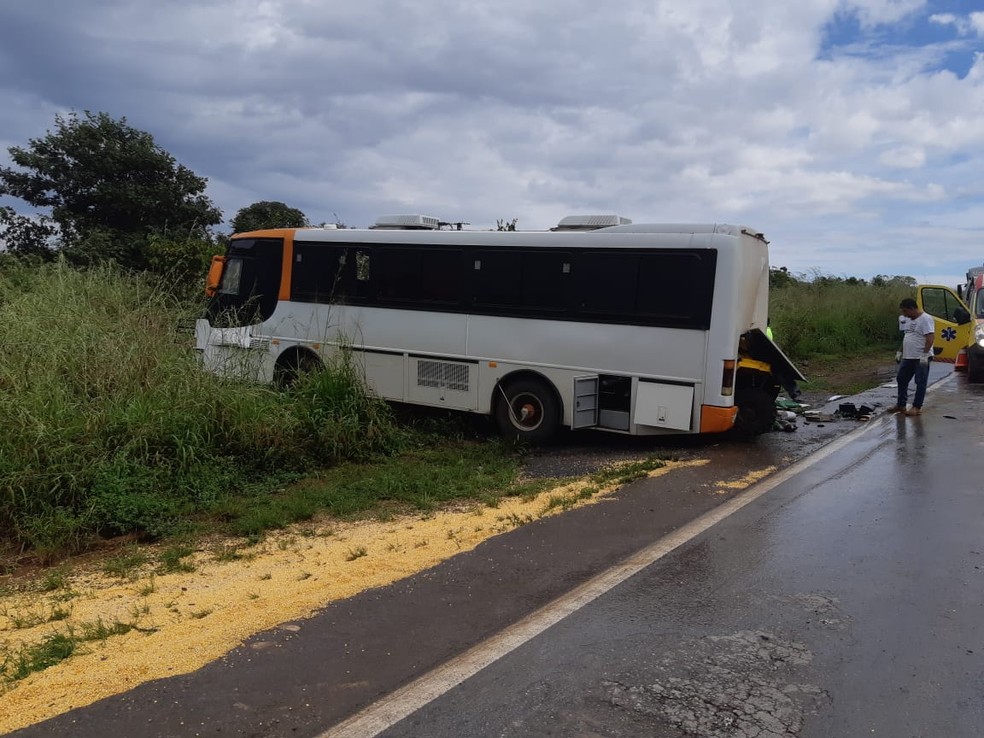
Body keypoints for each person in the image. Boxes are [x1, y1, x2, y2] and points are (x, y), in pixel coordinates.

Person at [889, 298, 934, 416]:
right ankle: (901, 405)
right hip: (908, 357)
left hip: (921, 357)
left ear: (912, 308)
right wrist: (900, 351)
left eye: (905, 311)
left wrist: (924, 354)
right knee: (901, 379)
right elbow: (907, 336)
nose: (905, 314)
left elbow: (930, 338)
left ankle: (917, 407)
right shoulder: (909, 320)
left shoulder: (925, 319)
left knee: (920, 381)